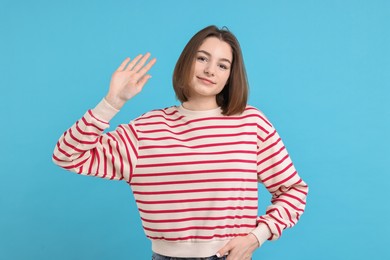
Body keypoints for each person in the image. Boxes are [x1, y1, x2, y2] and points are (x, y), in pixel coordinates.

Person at [52, 25, 308, 260]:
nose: (210, 70)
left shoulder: (251, 123)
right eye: (202, 58)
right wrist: (112, 102)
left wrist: (256, 237)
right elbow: (67, 156)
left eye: (223, 65)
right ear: (187, 62)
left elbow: (293, 191)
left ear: (230, 75)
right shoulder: (146, 129)